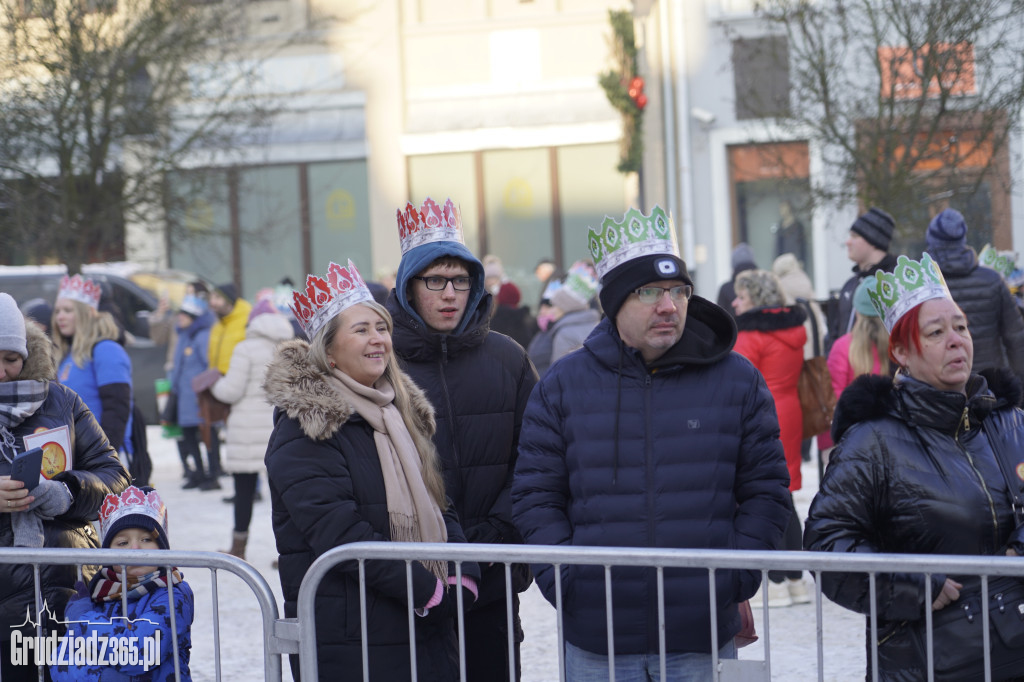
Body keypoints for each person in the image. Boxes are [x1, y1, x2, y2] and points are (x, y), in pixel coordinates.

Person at [512, 206, 791, 678]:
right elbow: (535, 496)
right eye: (651, 292)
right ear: (616, 301)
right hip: (596, 641)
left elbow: (767, 490)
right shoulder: (562, 386)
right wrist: (567, 583)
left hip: (701, 637)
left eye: (678, 291)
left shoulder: (737, 381)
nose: (669, 306)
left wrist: (734, 578)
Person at [804, 253, 1024, 680]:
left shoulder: (1008, 421)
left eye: (960, 326)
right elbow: (827, 545)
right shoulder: (873, 442)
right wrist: (913, 583)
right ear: (902, 351)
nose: (956, 339)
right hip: (926, 664)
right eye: (936, 332)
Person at [264, 260, 480, 680]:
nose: (378, 339)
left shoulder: (400, 413)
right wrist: (427, 590)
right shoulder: (306, 426)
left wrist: (461, 573)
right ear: (328, 350)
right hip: (353, 634)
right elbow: (338, 532)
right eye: (361, 330)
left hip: (422, 628)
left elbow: (438, 500)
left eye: (382, 328)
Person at [385, 197, 538, 681]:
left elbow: (536, 459)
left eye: (460, 280)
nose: (449, 293)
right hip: (410, 581)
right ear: (410, 287)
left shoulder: (508, 358)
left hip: (492, 575)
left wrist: (495, 536)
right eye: (435, 281)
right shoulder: (380, 362)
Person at [0, 292, 130, 681]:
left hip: (66, 589)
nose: (3, 372)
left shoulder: (61, 401)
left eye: (11, 359)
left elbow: (115, 476)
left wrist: (68, 491)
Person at [50, 485, 194, 682]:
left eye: (146, 539)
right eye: (122, 543)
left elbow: (141, 652)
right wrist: (100, 677)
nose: (134, 549)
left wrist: (83, 620)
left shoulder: (172, 593)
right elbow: (61, 662)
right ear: (108, 554)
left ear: (162, 548)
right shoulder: (98, 594)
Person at [731, 269, 809, 607]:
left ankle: (776, 580)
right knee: (785, 493)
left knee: (766, 493)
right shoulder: (795, 329)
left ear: (756, 300)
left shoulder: (750, 334)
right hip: (790, 409)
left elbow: (739, 380)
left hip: (762, 412)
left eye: (742, 296)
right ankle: (795, 578)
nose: (736, 302)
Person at [209, 299, 293, 560]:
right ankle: (288, 551)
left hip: (246, 431)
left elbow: (230, 391)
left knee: (243, 493)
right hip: (279, 429)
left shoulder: (245, 348)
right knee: (284, 496)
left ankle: (239, 548)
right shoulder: (287, 349)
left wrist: (213, 383)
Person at [926, 208, 1024, 382]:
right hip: (991, 383)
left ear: (932, 240)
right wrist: (1018, 385)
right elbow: (1016, 337)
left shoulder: (924, 284)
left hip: (941, 384)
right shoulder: (992, 279)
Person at [52, 275, 138, 470]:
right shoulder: (69, 355)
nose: (60, 317)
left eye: (68, 310)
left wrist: (105, 459)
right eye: (57, 311)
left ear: (87, 312)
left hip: (103, 460)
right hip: (77, 457)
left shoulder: (106, 349)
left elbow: (117, 409)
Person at [198, 283, 253, 484]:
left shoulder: (246, 319)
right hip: (221, 386)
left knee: (248, 438)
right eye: (211, 298)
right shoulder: (218, 325)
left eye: (217, 298)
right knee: (232, 437)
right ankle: (242, 483)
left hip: (243, 386)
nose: (213, 303)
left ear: (229, 300)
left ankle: (252, 486)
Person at [827, 207, 898, 349]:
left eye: (854, 236)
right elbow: (836, 333)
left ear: (873, 240)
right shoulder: (850, 284)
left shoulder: (895, 283)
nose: (848, 242)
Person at [165, 294, 215, 490]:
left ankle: (211, 474)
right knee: (188, 436)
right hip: (183, 397)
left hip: (196, 398)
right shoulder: (183, 335)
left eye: (185, 315)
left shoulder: (201, 337)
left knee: (205, 435)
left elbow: (207, 365)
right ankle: (198, 473)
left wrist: (202, 390)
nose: (180, 317)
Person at [526, 260, 601, 375]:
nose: (544, 311)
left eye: (552, 305)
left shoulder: (565, 332)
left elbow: (560, 376)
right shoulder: (556, 329)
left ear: (565, 307)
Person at [717, 242, 758, 317]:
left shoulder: (725, 288)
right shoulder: (761, 285)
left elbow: (720, 318)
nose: (734, 304)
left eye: (742, 298)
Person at [773, 200, 808, 266]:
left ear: (789, 208)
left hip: (795, 261)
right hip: (783, 261)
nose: (781, 210)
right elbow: (778, 246)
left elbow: (802, 245)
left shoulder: (798, 226)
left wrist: (801, 260)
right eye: (780, 208)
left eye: (783, 207)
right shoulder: (780, 227)